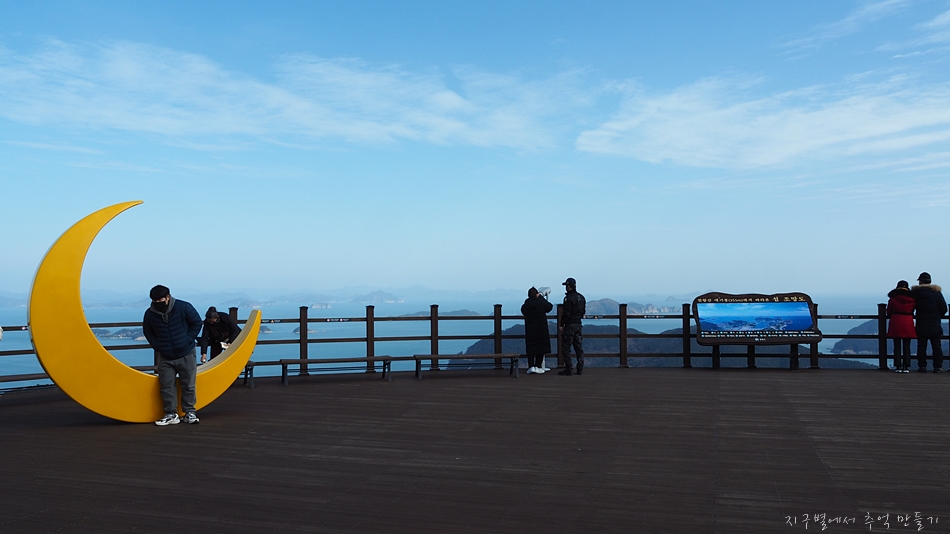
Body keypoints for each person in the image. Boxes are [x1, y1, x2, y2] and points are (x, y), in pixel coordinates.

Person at [142, 285, 203, 425]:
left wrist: (188, 340)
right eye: (155, 301)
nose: (158, 303)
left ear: (168, 297)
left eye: (160, 300)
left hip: (186, 353)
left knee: (189, 385)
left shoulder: (183, 307)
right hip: (165, 355)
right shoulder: (150, 313)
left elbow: (196, 323)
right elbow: (148, 331)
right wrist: (157, 346)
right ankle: (170, 414)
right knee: (166, 386)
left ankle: (190, 412)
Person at [911, 272, 947, 373]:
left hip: (921, 323)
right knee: (936, 346)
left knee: (921, 346)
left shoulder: (916, 293)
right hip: (934, 324)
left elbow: (911, 307)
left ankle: (922, 366)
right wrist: (938, 316)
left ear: (920, 281)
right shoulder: (937, 293)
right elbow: (944, 308)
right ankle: (938, 367)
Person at [886, 280, 915, 373]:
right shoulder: (912, 299)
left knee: (897, 345)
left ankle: (898, 366)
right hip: (908, 321)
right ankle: (906, 366)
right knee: (907, 346)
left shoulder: (893, 298)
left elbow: (889, 311)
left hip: (896, 320)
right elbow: (913, 310)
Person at [522, 287, 553, 374]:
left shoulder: (527, 304)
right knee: (541, 347)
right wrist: (541, 298)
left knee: (530, 347)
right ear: (536, 294)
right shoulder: (541, 302)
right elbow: (549, 307)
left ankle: (531, 366)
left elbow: (523, 310)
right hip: (541, 328)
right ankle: (538, 366)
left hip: (530, 329)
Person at [558, 277, 586, 376]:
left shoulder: (568, 298)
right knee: (578, 347)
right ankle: (580, 368)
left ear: (569, 286)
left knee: (566, 347)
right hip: (578, 324)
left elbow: (566, 313)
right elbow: (583, 311)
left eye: (566, 285)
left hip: (570, 325)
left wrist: (561, 324)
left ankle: (569, 369)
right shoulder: (581, 297)